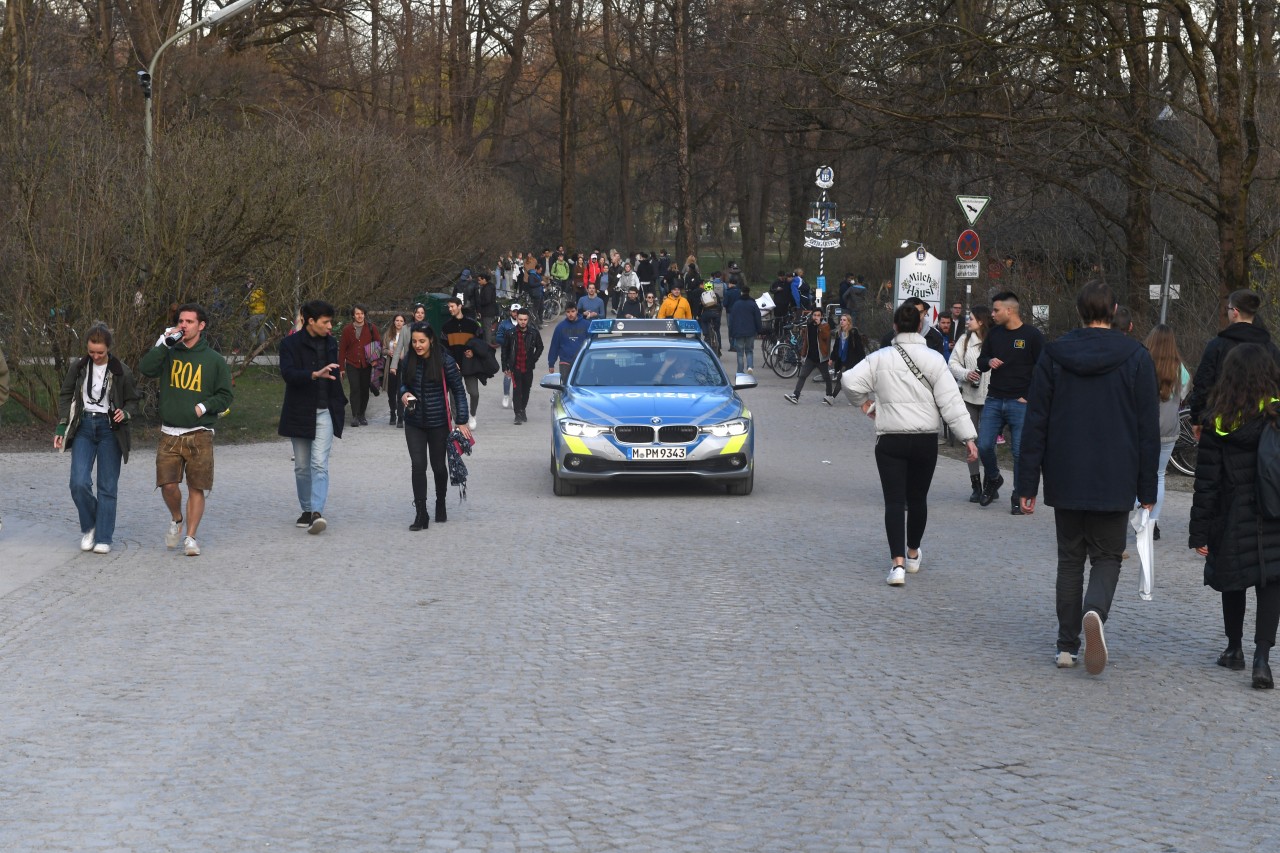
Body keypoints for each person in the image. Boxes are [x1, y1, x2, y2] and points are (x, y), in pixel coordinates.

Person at [1018, 279, 1159, 675]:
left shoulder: (1054, 354)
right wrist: (1148, 489)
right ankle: (1094, 610)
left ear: (1079, 312)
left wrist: (1026, 484)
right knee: (1107, 557)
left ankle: (1066, 646)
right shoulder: (1136, 356)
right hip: (1116, 473)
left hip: (1065, 471)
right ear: (1115, 313)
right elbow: (1148, 430)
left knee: (1069, 560)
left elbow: (1036, 423)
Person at [841, 302, 979, 586]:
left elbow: (849, 381)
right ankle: (913, 552)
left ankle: (897, 565)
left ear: (894, 327)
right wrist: (968, 438)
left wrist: (866, 405)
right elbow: (950, 401)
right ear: (920, 326)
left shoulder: (879, 358)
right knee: (918, 499)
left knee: (893, 501)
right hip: (924, 440)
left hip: (890, 439)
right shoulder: (934, 359)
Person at [1190, 344, 1280, 689]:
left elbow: (1207, 483)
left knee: (1235, 579)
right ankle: (1262, 659)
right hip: (1273, 512)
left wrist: (1199, 533)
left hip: (1231, 513)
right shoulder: (1276, 415)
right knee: (1271, 583)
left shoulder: (1218, 422)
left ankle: (1233, 649)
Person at [138, 303, 234, 557]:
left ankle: (191, 537)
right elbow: (145, 369)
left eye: (189, 322)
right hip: (170, 432)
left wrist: (205, 405)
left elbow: (226, 395)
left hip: (200, 432)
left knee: (196, 486)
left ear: (201, 326)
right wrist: (162, 344)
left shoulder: (213, 360)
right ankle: (177, 518)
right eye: (181, 321)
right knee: (168, 485)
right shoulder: (169, 352)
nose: (184, 325)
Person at [53, 323, 141, 554]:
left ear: (109, 349)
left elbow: (133, 400)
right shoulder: (79, 367)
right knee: (78, 483)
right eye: (91, 351)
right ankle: (91, 525)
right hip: (83, 427)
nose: (95, 356)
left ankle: (104, 536)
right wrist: (62, 426)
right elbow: (65, 394)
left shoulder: (122, 370)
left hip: (110, 430)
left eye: (100, 352)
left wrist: (126, 412)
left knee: (107, 487)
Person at [277, 299, 347, 534]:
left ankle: (317, 511)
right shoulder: (289, 344)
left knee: (319, 463)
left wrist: (339, 401)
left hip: (324, 410)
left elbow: (334, 375)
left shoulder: (331, 343)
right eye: (326, 322)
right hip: (299, 411)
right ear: (310, 321)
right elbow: (288, 374)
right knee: (302, 466)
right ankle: (306, 509)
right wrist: (313, 375)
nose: (330, 327)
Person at [398, 322, 472, 530]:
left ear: (431, 340)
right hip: (414, 422)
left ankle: (440, 501)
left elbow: (458, 390)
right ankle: (421, 513)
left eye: (422, 341)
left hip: (438, 422)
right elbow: (402, 384)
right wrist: (404, 393)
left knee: (439, 467)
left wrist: (462, 420)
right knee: (418, 466)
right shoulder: (408, 360)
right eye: (414, 342)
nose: (417, 346)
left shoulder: (445, 361)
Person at [977, 291, 1045, 514]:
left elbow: (1044, 368)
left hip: (1020, 403)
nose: (993, 314)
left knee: (1018, 452)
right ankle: (994, 478)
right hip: (994, 398)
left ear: (1010, 310)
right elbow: (981, 361)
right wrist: (988, 360)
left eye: (996, 310)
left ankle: (1018, 495)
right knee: (984, 445)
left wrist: (1029, 395)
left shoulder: (1032, 335)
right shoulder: (994, 334)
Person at [1188, 289, 1280, 438]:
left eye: (1228, 308)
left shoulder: (1217, 345)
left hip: (1222, 424)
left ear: (1235, 312)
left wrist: (1197, 418)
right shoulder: (1270, 348)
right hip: (1261, 425)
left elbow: (1203, 384)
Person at [1144, 324, 1191, 540]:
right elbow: (1184, 392)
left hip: (1145, 429)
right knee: (1160, 476)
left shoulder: (1143, 363)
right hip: (1169, 428)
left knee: (1140, 474)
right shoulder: (1178, 368)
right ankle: (1154, 522)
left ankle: (1141, 517)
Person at [948, 304, 992, 502]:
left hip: (991, 398)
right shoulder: (965, 340)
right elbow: (952, 364)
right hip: (969, 397)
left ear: (981, 321)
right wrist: (966, 374)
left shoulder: (995, 340)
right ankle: (976, 484)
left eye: (971, 318)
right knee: (970, 440)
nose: (968, 321)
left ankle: (992, 480)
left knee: (987, 444)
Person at [442, 297, 485, 429]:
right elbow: (443, 347)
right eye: (448, 307)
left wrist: (473, 352)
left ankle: (472, 414)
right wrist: (451, 361)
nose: (450, 309)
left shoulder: (472, 325)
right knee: (454, 394)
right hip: (453, 365)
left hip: (470, 364)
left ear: (459, 306)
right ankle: (458, 421)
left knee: (474, 393)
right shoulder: (446, 326)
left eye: (452, 306)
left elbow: (481, 343)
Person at [338, 304, 381, 427]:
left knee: (364, 390)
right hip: (352, 363)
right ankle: (355, 415)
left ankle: (362, 414)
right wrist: (341, 367)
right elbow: (342, 349)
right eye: (357, 313)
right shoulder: (347, 330)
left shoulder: (371, 328)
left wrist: (375, 359)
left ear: (364, 314)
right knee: (355, 389)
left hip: (367, 364)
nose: (360, 316)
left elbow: (378, 343)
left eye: (362, 313)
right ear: (353, 315)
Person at [784, 308, 836, 406]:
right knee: (802, 375)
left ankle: (829, 396)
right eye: (814, 315)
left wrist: (819, 325)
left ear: (821, 317)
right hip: (810, 357)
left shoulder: (825, 326)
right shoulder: (809, 326)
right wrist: (803, 354)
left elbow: (826, 336)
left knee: (826, 377)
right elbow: (806, 341)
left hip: (821, 358)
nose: (816, 317)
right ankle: (795, 395)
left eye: (818, 315)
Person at [502, 308, 545, 425]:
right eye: (520, 319)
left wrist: (534, 359)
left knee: (526, 390)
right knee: (517, 390)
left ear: (528, 320)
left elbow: (540, 347)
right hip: (515, 366)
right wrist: (505, 367)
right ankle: (517, 414)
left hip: (528, 366)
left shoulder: (533, 332)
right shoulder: (510, 333)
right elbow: (504, 350)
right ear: (517, 318)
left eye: (525, 319)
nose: (523, 322)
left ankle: (522, 409)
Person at [546, 303, 590, 382]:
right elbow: (554, 345)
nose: (570, 314)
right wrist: (551, 363)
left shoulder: (586, 325)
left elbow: (591, 343)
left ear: (577, 311)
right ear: (565, 312)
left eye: (573, 311)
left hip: (582, 361)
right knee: (566, 386)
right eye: (568, 312)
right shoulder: (560, 327)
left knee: (582, 384)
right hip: (565, 362)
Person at [728, 284, 763, 374]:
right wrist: (759, 330)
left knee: (740, 352)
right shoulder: (753, 304)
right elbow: (757, 318)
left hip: (738, 331)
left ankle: (740, 370)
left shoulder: (736, 304)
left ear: (741, 292)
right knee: (749, 350)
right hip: (750, 331)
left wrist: (731, 332)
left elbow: (731, 319)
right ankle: (750, 366)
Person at [827, 312, 866, 388]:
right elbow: (836, 348)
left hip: (852, 360)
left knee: (841, 379)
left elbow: (859, 348)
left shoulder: (853, 333)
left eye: (844, 320)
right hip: (841, 360)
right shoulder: (839, 333)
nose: (842, 321)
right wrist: (831, 358)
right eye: (841, 320)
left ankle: (831, 397)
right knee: (842, 380)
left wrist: (863, 361)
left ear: (849, 322)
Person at [382, 313, 408, 426]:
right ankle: (393, 413)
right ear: (394, 322)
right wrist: (389, 352)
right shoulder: (388, 334)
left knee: (401, 390)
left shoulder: (407, 334)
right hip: (391, 364)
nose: (399, 323)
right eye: (397, 320)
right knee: (391, 391)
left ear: (404, 322)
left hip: (403, 364)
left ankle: (401, 417)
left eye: (401, 321)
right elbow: (382, 349)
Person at [495, 303, 521, 408]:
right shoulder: (504, 324)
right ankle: (506, 395)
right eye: (514, 311)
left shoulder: (524, 323)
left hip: (520, 353)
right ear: (510, 312)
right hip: (508, 353)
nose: (516, 313)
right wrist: (508, 342)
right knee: (508, 374)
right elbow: (498, 337)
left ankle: (516, 398)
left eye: (517, 312)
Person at [698, 279, 723, 354]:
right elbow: (720, 306)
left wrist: (699, 315)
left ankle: (706, 335)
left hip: (707, 314)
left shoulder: (703, 295)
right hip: (716, 314)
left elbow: (700, 307)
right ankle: (719, 348)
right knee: (717, 330)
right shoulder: (716, 295)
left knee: (704, 321)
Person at [476, 272, 499, 345]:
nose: (478, 282)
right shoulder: (487, 287)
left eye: (479, 280)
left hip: (488, 311)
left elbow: (487, 300)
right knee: (485, 328)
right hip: (486, 311)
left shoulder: (488, 288)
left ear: (484, 279)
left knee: (487, 329)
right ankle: (485, 344)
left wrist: (479, 303)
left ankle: (488, 345)